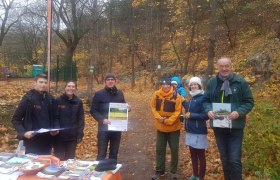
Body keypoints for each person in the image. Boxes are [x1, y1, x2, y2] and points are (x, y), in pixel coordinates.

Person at [202, 57, 254, 180]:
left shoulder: (240, 82)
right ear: (217, 67)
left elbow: (249, 102)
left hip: (236, 127)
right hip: (219, 127)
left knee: (234, 160)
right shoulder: (212, 82)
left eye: (227, 66)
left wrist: (239, 112)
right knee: (225, 159)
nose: (224, 68)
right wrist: (208, 110)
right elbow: (205, 100)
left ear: (231, 66)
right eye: (222, 66)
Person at [11, 74, 59, 155]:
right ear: (35, 83)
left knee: (45, 164)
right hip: (31, 140)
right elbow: (15, 119)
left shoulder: (51, 98)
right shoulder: (28, 99)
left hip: (47, 140)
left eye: (45, 82)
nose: (43, 84)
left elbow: (55, 117)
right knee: (32, 165)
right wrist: (24, 133)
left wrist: (55, 128)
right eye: (40, 82)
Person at [90, 73, 130, 161]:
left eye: (112, 79)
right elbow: (93, 110)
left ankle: (112, 173)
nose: (110, 81)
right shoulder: (99, 94)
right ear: (105, 81)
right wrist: (102, 119)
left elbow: (123, 106)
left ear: (115, 81)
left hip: (116, 128)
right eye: (108, 79)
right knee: (101, 153)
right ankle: (100, 172)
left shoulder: (120, 93)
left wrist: (128, 108)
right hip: (103, 128)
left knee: (114, 153)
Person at [150, 77, 182, 180]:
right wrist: (160, 118)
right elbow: (153, 107)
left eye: (167, 85)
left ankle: (174, 172)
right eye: (163, 84)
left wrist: (168, 121)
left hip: (174, 128)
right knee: (160, 149)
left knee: (174, 150)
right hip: (160, 127)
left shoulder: (177, 96)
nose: (165, 86)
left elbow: (178, 111)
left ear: (171, 85)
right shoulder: (156, 94)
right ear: (161, 85)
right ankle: (159, 171)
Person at [182, 77, 208, 180]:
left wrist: (192, 115)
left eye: (195, 84)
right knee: (192, 154)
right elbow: (188, 108)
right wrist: (183, 102)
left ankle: (201, 177)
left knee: (200, 155)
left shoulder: (203, 98)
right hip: (190, 130)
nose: (193, 86)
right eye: (191, 84)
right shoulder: (192, 98)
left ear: (199, 86)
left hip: (199, 131)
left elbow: (206, 115)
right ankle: (195, 175)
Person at [53, 81, 85, 160]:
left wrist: (80, 133)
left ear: (75, 89)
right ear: (65, 88)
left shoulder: (78, 102)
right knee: (58, 159)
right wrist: (57, 128)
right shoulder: (58, 100)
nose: (71, 88)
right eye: (69, 86)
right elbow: (55, 117)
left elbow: (81, 119)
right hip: (59, 136)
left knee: (70, 159)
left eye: (73, 86)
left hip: (72, 137)